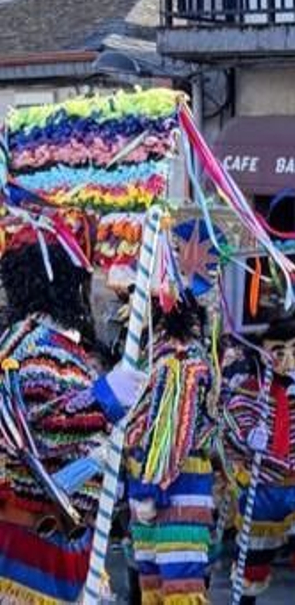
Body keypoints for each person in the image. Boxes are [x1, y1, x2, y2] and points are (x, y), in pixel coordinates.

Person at [0, 242, 147, 605]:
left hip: (42, 527)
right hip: (41, 532)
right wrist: (107, 397)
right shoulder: (42, 344)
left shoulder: (23, 338)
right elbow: (49, 424)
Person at [223, 319, 295, 604]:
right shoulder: (248, 391)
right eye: (279, 351)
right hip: (261, 492)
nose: (289, 359)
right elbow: (228, 436)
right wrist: (247, 439)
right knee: (249, 574)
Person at [123, 288, 219, 605]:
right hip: (150, 480)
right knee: (152, 574)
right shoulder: (157, 357)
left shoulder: (180, 362)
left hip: (174, 482)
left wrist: (151, 489)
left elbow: (172, 431)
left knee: (179, 576)